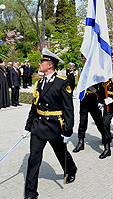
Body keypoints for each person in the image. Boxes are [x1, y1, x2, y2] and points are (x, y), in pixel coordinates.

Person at [23, 48, 77, 199]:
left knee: (61, 154)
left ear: (50, 65)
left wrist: (68, 131)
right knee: (33, 159)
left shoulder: (62, 83)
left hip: (55, 126)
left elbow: (68, 109)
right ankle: (30, 192)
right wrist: (28, 126)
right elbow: (34, 106)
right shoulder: (39, 83)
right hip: (38, 126)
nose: (39, 64)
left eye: (42, 62)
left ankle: (71, 169)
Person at [72, 54, 106, 154]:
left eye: (85, 58)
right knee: (82, 121)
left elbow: (101, 87)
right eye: (82, 58)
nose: (83, 59)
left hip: (94, 99)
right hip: (84, 99)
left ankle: (104, 136)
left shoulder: (96, 71)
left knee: (98, 121)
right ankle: (80, 141)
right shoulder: (81, 71)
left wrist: (101, 101)